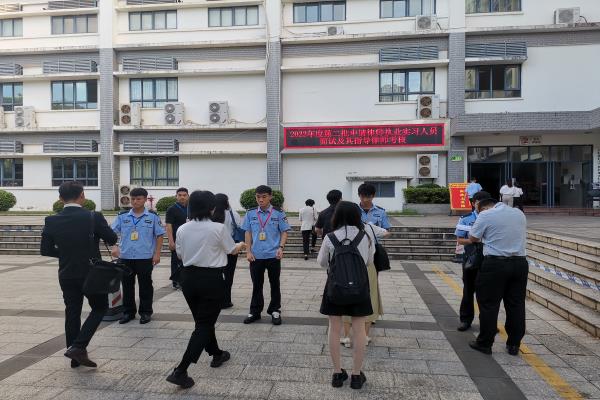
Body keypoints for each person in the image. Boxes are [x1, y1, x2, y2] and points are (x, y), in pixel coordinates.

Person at [166, 191, 245, 389]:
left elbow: (180, 255)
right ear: (212, 208)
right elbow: (231, 250)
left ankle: (216, 354)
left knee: (203, 321)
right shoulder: (217, 228)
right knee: (203, 324)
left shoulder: (182, 229)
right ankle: (180, 371)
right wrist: (241, 244)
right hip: (211, 279)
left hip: (188, 279)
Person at [40, 181, 118, 368]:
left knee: (72, 312)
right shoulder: (93, 216)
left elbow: (45, 250)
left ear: (60, 198)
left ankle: (75, 357)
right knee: (99, 308)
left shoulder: (51, 220)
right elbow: (112, 238)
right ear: (82, 195)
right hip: (92, 273)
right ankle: (79, 347)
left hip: (67, 273)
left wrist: (68, 254)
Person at [317, 201, 387, 390]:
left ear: (337, 216)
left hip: (335, 288)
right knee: (359, 330)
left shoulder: (330, 237)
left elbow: (321, 262)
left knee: (334, 328)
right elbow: (369, 261)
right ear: (357, 216)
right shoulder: (365, 236)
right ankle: (356, 375)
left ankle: (337, 373)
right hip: (359, 287)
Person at [467, 196, 528, 356]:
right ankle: (514, 344)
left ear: (482, 207)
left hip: (495, 264)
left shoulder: (486, 215)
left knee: (489, 304)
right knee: (516, 304)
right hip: (520, 264)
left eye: (477, 210)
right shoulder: (519, 213)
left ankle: (485, 343)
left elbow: (473, 237)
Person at [111, 187, 165, 325]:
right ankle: (128, 312)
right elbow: (111, 233)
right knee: (127, 286)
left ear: (145, 199)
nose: (135, 201)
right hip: (125, 257)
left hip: (144, 257)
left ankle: (145, 312)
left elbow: (159, 235)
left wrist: (157, 254)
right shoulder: (122, 216)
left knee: (145, 286)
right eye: (133, 199)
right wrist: (114, 246)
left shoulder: (152, 216)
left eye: (138, 199)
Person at [241, 185, 291, 325]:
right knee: (257, 284)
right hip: (256, 256)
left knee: (275, 284)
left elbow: (284, 232)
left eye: (264, 197)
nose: (261, 200)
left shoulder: (278, 213)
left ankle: (275, 310)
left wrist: (281, 247)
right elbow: (248, 233)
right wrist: (248, 251)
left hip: (273, 255)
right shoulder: (250, 213)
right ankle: (255, 311)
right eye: (258, 197)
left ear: (270, 197)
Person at [454, 191, 492, 332]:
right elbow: (460, 240)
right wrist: (474, 240)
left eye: (486, 203)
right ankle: (465, 320)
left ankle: (488, 323)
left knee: (487, 293)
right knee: (468, 291)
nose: (482, 206)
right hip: (471, 258)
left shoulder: (494, 218)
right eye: (478, 203)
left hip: (489, 259)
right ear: (473, 203)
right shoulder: (466, 219)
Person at [211, 193, 243, 309]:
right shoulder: (234, 214)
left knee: (215, 275)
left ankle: (215, 299)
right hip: (231, 248)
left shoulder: (211, 214)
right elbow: (239, 227)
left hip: (215, 249)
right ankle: (226, 300)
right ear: (226, 202)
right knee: (229, 275)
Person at [165, 187, 189, 290]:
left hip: (189, 240)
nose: (182, 197)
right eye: (180, 195)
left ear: (188, 196)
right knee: (176, 261)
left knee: (187, 260)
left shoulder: (191, 208)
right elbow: (168, 226)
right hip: (176, 240)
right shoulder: (172, 209)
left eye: (184, 195)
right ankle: (176, 282)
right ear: (176, 196)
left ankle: (186, 280)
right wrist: (171, 241)